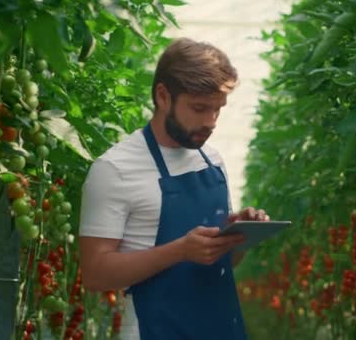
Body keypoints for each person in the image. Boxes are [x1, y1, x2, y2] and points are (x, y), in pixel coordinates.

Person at [78, 37, 269, 340]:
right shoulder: (115, 169)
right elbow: (94, 272)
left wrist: (236, 237)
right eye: (199, 108)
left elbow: (222, 263)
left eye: (218, 109)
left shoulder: (213, 161)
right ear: (163, 96)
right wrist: (179, 250)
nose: (211, 122)